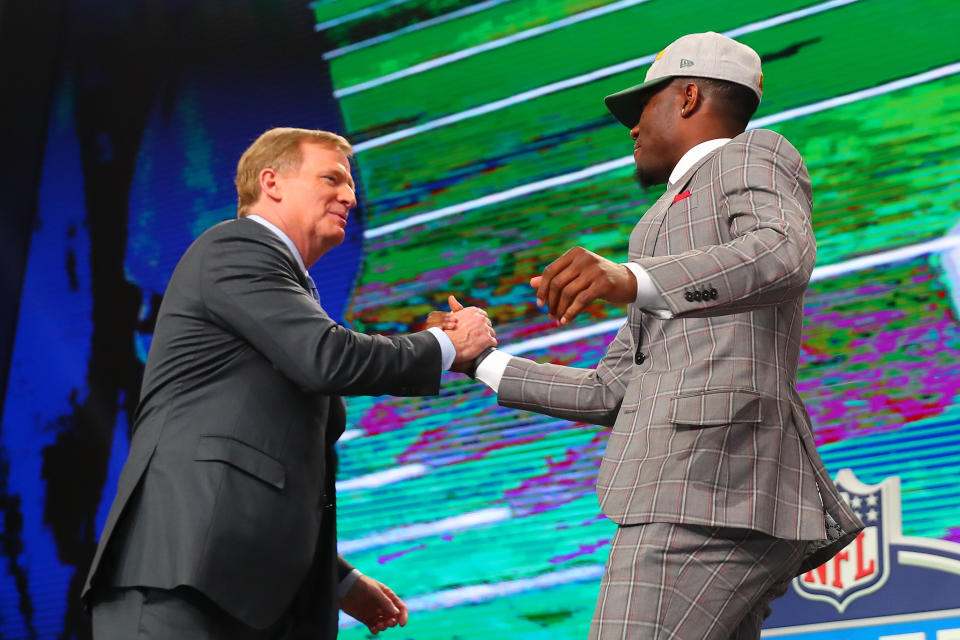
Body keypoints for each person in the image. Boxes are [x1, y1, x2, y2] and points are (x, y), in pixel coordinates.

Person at [466, 32, 864, 639]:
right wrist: (483, 363)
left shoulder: (752, 154)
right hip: (695, 488)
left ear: (688, 97)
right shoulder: (655, 225)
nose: (631, 127)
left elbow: (784, 252)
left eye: (641, 107)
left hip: (706, 488)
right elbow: (613, 390)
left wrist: (632, 279)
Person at [82, 127, 496, 638]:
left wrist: (337, 580)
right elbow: (328, 357)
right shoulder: (238, 247)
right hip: (184, 580)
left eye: (352, 186)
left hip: (236, 589)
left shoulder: (283, 285)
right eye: (332, 179)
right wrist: (448, 347)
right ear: (271, 182)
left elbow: (278, 454)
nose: (350, 196)